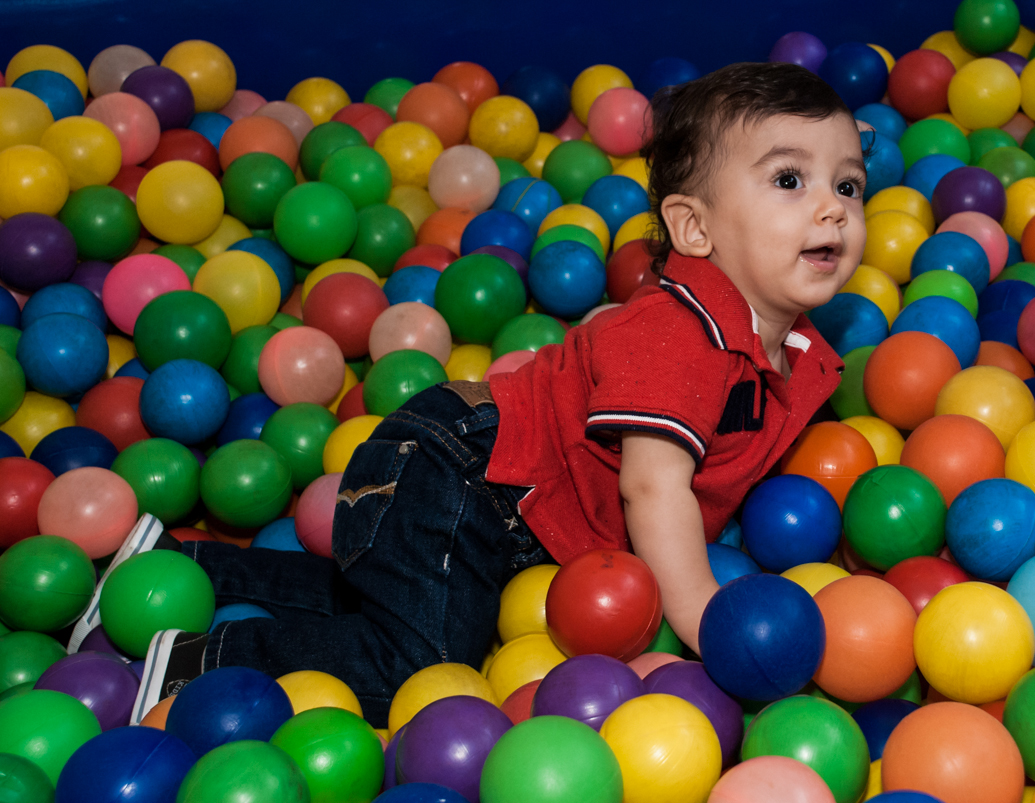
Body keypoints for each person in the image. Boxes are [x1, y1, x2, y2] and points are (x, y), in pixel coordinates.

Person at [89, 61, 867, 728]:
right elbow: (652, 482)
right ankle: (197, 662)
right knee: (424, 663)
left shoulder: (799, 353)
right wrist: (702, 615)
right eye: (790, 180)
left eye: (850, 184)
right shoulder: (680, 332)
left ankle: (173, 563)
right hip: (461, 469)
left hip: (504, 508)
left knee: (397, 596)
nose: (832, 205)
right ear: (693, 231)